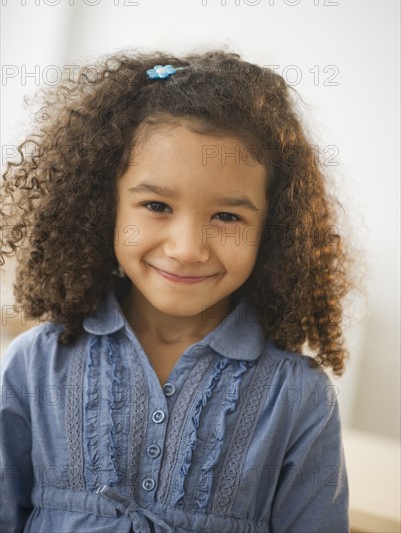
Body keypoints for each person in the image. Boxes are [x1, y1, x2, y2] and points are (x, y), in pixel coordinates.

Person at [0, 51, 352, 532]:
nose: (187, 249)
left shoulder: (298, 400)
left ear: (274, 231)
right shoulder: (33, 366)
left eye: (227, 217)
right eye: (157, 205)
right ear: (104, 206)